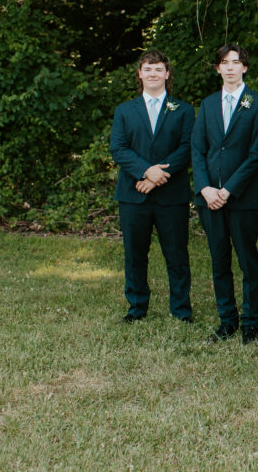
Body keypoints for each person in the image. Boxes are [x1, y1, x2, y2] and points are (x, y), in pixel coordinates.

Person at [191, 44, 258, 345]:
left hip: (242, 198)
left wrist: (228, 189)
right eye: (224, 63)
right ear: (218, 69)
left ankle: (251, 323)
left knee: (248, 261)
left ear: (245, 68)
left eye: (236, 62)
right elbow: (197, 148)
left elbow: (256, 155)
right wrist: (206, 188)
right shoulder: (208, 104)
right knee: (218, 259)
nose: (230, 67)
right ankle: (227, 320)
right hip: (208, 198)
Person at [109, 50, 194, 323]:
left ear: (167, 74)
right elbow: (119, 148)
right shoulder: (125, 110)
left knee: (177, 255)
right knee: (135, 254)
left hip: (172, 195)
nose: (153, 74)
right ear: (140, 74)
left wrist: (158, 176)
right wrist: (146, 172)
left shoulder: (183, 110)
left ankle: (181, 310)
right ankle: (136, 309)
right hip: (134, 194)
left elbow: (187, 147)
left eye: (159, 69)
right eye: (148, 69)